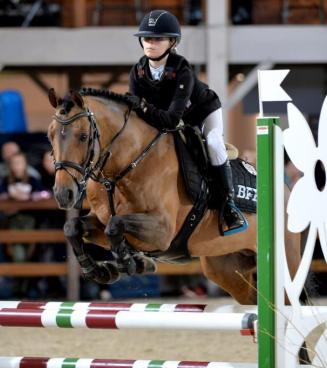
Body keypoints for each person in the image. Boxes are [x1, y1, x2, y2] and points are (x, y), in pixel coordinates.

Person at [126, 10, 247, 236]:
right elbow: (135, 116)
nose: (150, 43)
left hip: (203, 111)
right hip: (169, 115)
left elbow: (170, 119)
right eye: (147, 38)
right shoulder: (138, 71)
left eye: (158, 38)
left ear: (172, 42)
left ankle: (229, 205)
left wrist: (143, 107)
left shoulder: (182, 70)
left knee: (212, 143)